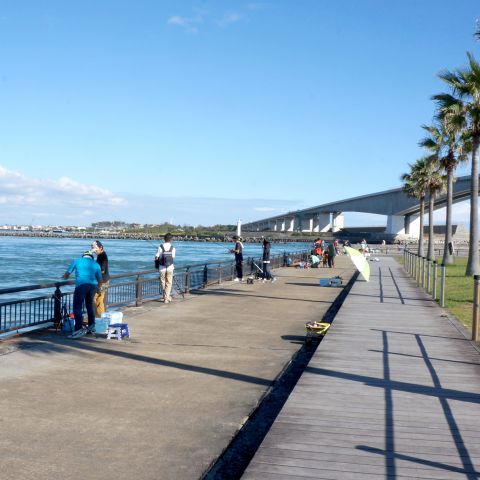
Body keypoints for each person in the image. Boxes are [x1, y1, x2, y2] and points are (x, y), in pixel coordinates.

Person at [63, 250, 102, 338]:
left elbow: (67, 274)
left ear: (83, 256)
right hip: (93, 286)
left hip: (81, 286)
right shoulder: (95, 264)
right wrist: (98, 288)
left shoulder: (76, 261)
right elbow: (100, 280)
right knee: (90, 306)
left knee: (77, 307)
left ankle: (78, 330)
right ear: (91, 257)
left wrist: (64, 277)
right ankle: (91, 327)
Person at [155, 233, 176, 303]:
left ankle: (165, 297)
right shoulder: (173, 248)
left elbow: (156, 257)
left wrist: (157, 263)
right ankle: (167, 298)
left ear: (164, 239)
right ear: (171, 240)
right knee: (169, 283)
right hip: (170, 267)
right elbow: (173, 257)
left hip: (162, 267)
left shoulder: (160, 247)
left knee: (162, 282)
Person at [91, 240, 110, 317]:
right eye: (92, 248)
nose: (94, 250)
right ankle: (101, 317)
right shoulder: (100, 255)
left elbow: (102, 270)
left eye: (95, 248)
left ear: (101, 247)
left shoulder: (103, 256)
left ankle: (94, 317)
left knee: (91, 298)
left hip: (102, 281)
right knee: (100, 299)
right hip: (104, 280)